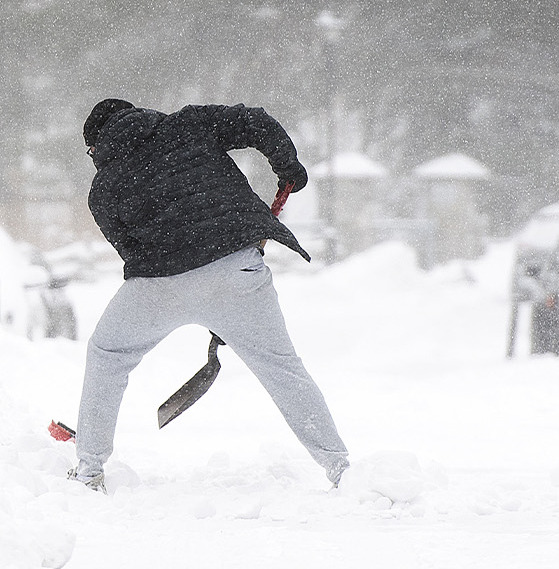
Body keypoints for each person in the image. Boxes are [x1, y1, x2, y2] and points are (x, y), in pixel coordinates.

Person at [68, 98, 349, 492]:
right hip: (236, 268)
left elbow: (129, 251)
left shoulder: (102, 190)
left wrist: (185, 283)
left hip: (159, 282)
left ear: (97, 144)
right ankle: (341, 468)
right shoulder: (190, 124)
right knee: (282, 368)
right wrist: (286, 165)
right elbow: (255, 121)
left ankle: (89, 469)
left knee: (108, 355)